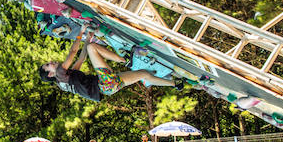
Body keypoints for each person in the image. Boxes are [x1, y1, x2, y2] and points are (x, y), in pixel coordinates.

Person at [39, 26, 184, 102]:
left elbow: (80, 59)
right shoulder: (60, 74)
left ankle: (175, 84)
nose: (51, 62)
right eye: (48, 65)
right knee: (92, 48)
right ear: (50, 74)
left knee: (144, 74)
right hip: (104, 83)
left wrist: (88, 38)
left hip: (108, 88)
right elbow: (73, 52)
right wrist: (81, 32)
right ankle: (123, 59)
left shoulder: (64, 81)